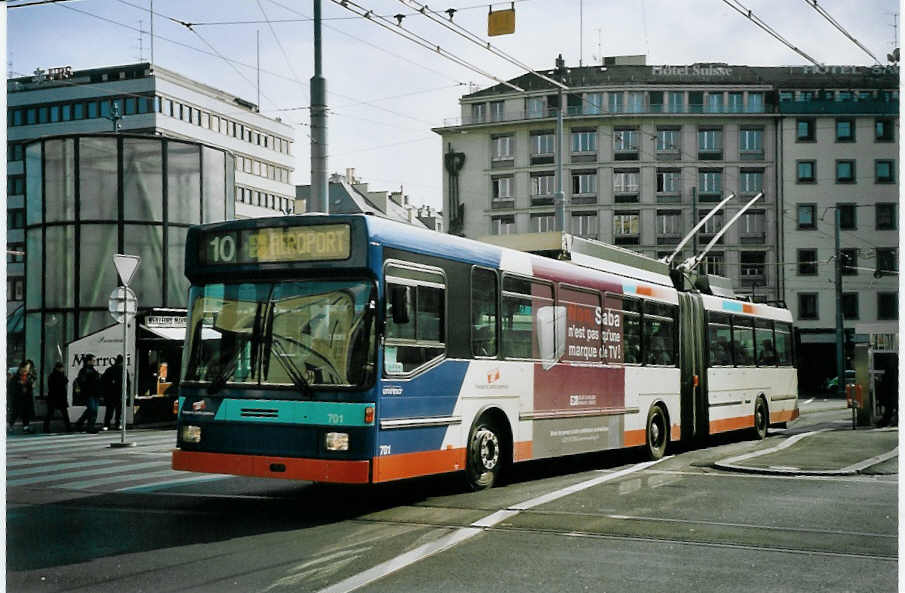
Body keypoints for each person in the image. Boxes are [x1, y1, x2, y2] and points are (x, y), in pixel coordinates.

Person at [73, 354, 102, 433]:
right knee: (92, 409)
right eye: (93, 360)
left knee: (93, 410)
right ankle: (88, 426)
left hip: (95, 393)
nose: (94, 362)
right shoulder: (84, 371)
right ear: (88, 361)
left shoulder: (93, 370)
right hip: (89, 393)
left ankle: (82, 424)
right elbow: (81, 381)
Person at [101, 355, 129, 431]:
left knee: (109, 410)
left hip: (110, 393)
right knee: (118, 410)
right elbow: (128, 383)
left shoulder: (110, 369)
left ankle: (107, 425)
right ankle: (118, 424)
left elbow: (103, 381)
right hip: (120, 393)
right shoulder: (124, 370)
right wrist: (127, 393)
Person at [8, 360, 36, 433]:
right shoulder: (15, 377)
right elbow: (11, 388)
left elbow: (32, 384)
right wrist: (20, 386)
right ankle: (10, 425)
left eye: (27, 369)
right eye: (24, 369)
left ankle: (25, 427)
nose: (26, 371)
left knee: (26, 413)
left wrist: (31, 384)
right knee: (15, 413)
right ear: (21, 368)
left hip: (27, 398)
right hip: (18, 399)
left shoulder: (30, 376)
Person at [44, 361, 72, 433]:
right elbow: (65, 381)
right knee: (64, 413)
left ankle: (46, 428)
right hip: (58, 396)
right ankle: (68, 428)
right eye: (62, 368)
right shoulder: (58, 375)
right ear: (59, 368)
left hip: (54, 396)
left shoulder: (52, 375)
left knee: (50, 413)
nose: (63, 369)